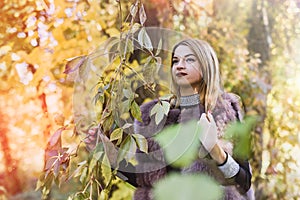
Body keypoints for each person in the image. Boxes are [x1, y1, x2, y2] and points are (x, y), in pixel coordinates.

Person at [132, 39, 254, 200]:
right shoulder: (156, 115)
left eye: (189, 59)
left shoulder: (226, 111)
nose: (179, 65)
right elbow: (144, 181)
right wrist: (104, 153)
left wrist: (214, 149)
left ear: (206, 65)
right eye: (175, 61)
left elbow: (243, 182)